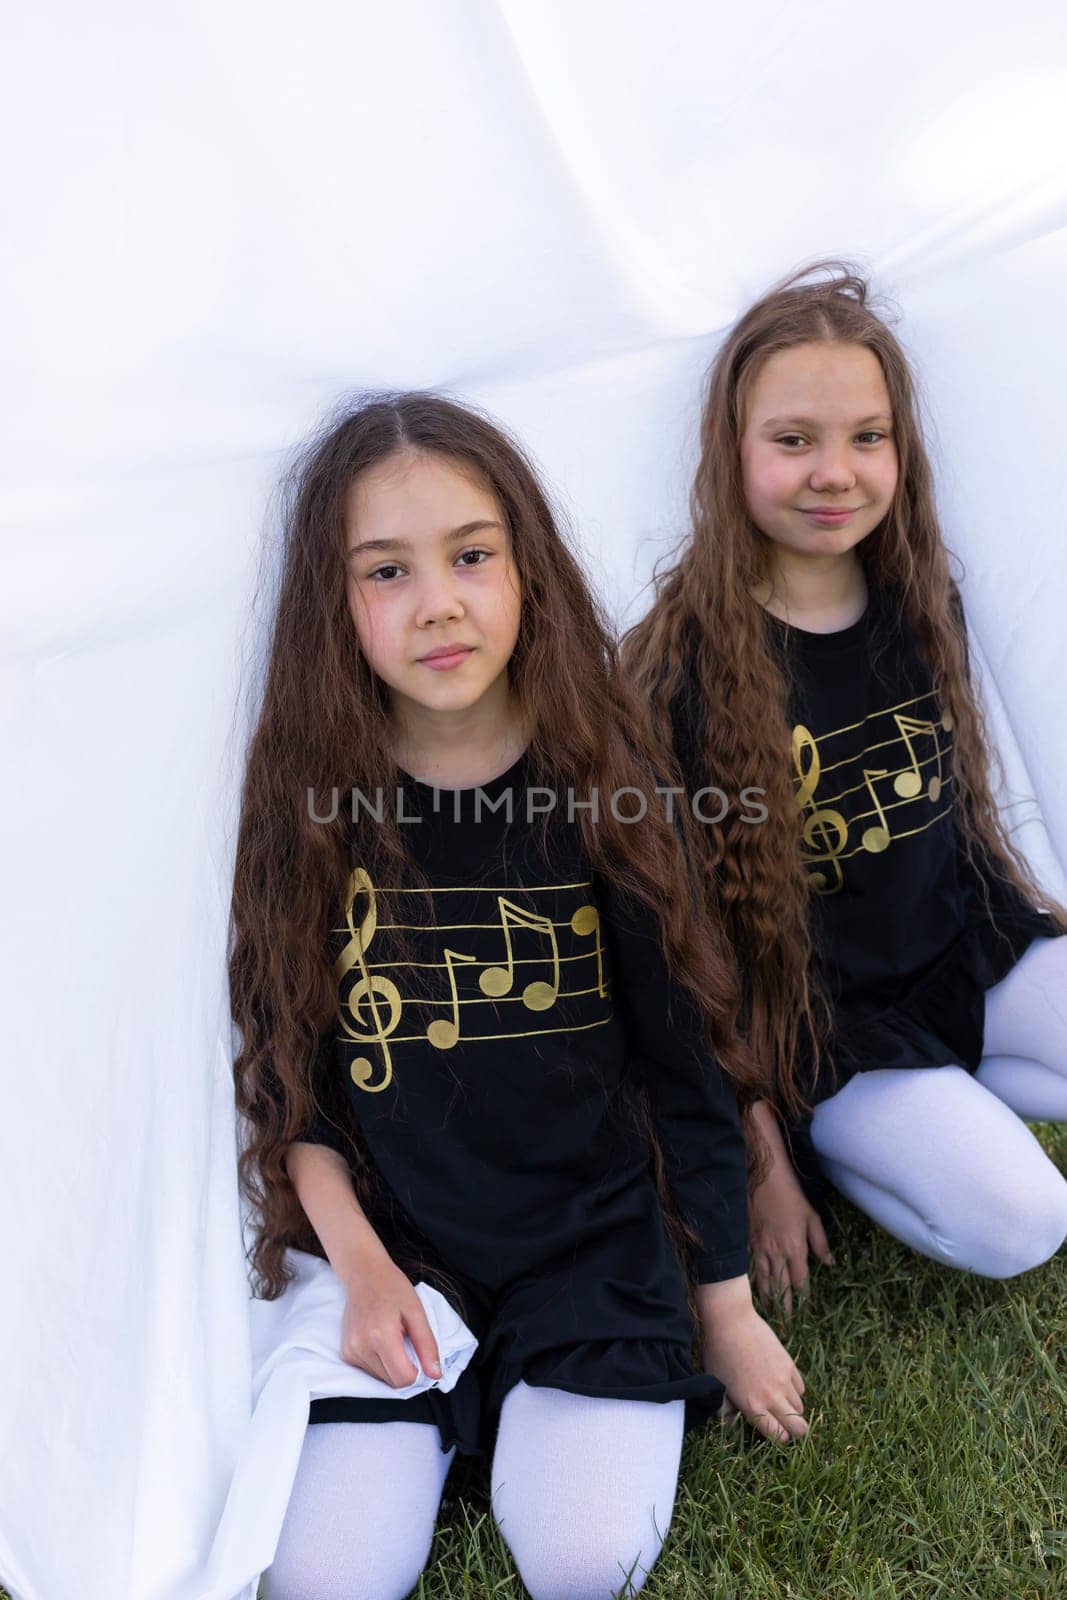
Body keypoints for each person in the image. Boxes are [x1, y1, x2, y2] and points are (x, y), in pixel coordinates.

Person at [229, 392, 807, 1600]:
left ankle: (522, 1405)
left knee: (581, 1556)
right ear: (331, 606)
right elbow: (296, 1087)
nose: (437, 600)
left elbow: (681, 1068)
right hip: (399, 1247)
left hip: (586, 1245)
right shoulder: (310, 805)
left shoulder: (608, 785)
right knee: (324, 1578)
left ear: (526, 569)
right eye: (386, 570)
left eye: (470, 556)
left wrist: (726, 1310)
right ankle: (422, 1421)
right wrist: (365, 1269)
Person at [621, 260, 1067, 1316]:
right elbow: (677, 947)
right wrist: (759, 1156)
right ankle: (868, 1140)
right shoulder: (673, 669)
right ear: (729, 451)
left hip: (960, 956)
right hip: (825, 1033)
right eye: (792, 440)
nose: (835, 471)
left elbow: (952, 823)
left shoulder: (918, 592)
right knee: (1022, 1220)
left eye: (865, 437)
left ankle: (950, 1100)